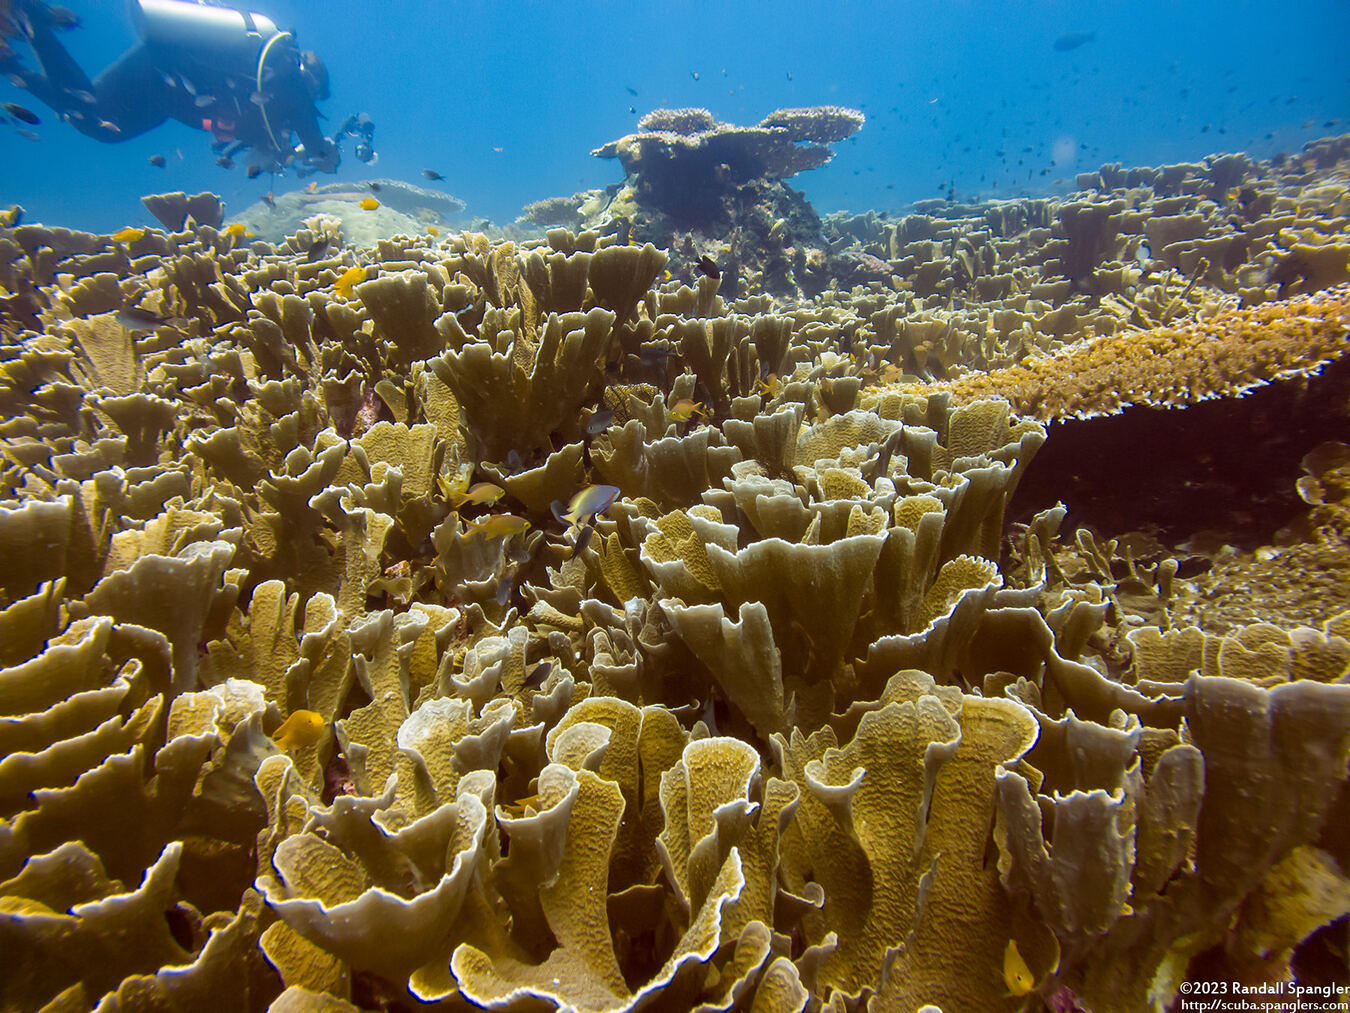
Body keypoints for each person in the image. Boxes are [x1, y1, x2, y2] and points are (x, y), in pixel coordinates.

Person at [3, 0, 361, 174]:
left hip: (163, 91)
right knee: (89, 113)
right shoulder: (290, 77)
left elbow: (263, 140)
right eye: (316, 95)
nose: (311, 102)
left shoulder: (274, 94)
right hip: (161, 71)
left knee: (96, 123)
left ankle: (11, 57)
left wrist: (287, 153)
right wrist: (326, 154)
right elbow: (313, 139)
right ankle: (30, 17)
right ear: (312, 81)